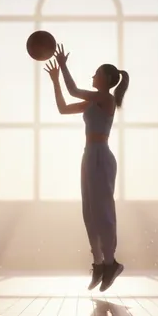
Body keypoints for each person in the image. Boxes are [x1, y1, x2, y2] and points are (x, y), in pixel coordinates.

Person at [44, 44, 129, 292]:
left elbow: (73, 90)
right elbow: (63, 108)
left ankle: (111, 262)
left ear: (106, 79)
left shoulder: (105, 98)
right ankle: (99, 263)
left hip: (101, 156)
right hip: (89, 155)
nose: (93, 76)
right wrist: (55, 81)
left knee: (103, 211)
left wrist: (63, 66)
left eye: (96, 73)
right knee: (89, 212)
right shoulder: (92, 102)